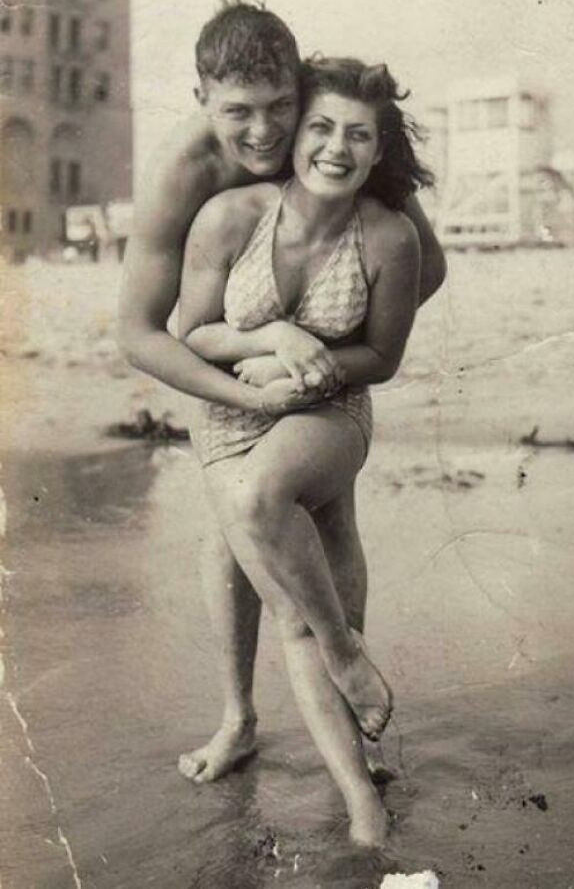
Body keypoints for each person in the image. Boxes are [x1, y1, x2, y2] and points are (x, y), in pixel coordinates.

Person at [118, 0, 445, 787]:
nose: (262, 133)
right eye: (237, 113)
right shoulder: (186, 170)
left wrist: (323, 353)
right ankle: (238, 718)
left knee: (333, 525)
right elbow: (139, 332)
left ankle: (352, 721)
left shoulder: (330, 132)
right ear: (202, 100)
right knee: (232, 530)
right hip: (228, 362)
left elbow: (424, 267)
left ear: (299, 91)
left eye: (278, 110)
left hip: (319, 368)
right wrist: (254, 376)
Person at [175, 54, 430, 847]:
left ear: (379, 149)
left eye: (358, 134)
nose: (336, 147)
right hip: (225, 415)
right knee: (282, 596)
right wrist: (275, 335)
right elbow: (191, 332)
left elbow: (380, 358)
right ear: (295, 135)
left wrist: (306, 373)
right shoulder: (231, 216)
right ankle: (354, 779)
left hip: (329, 408)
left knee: (260, 507)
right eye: (320, 127)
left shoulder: (389, 235)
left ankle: (348, 668)